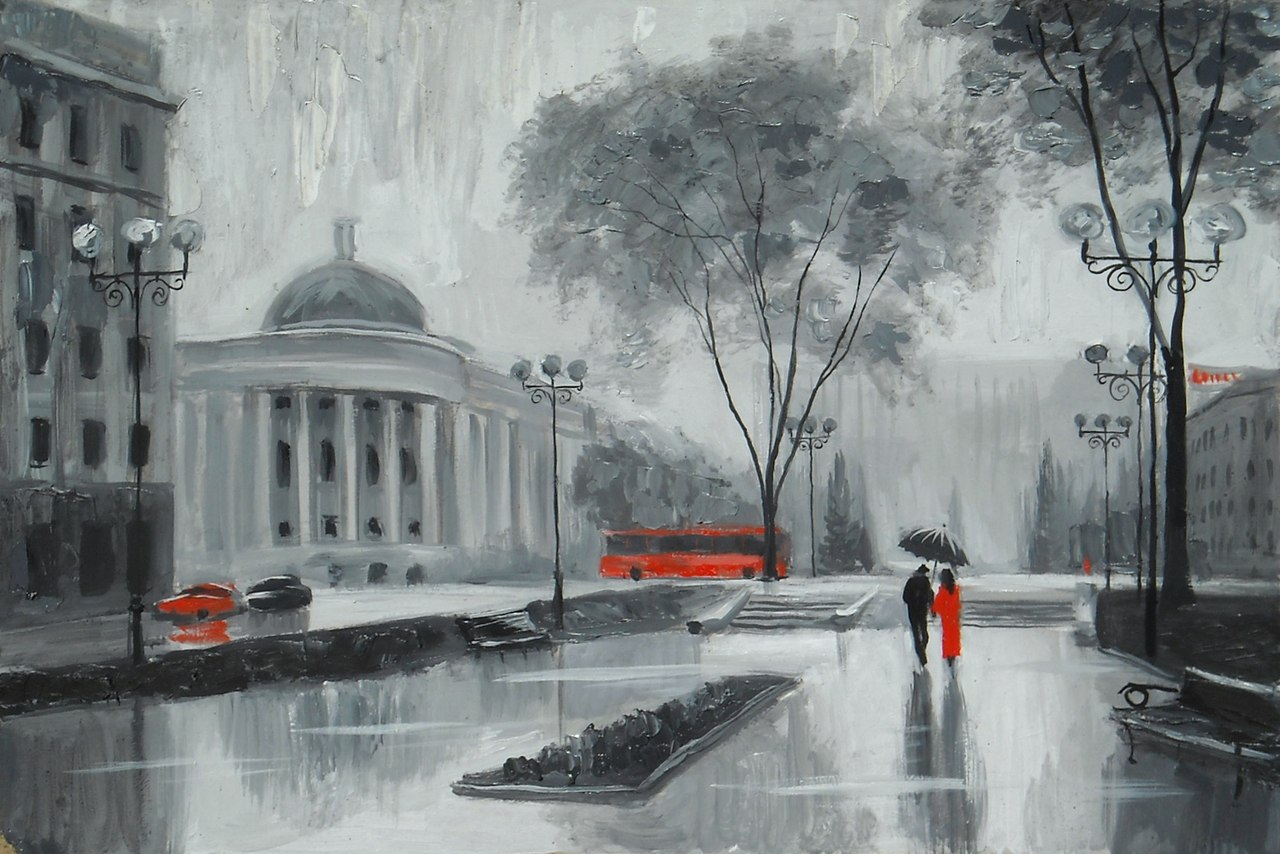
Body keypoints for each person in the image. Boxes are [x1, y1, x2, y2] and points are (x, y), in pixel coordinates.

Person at [902, 564, 934, 666]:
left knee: (917, 634)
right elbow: (930, 597)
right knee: (924, 635)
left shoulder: (911, 582)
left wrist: (912, 602)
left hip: (913, 612)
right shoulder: (925, 583)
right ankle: (922, 654)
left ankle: (921, 655)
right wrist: (927, 603)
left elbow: (905, 597)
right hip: (922, 612)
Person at [932, 567, 962, 668]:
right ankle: (954, 656)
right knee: (954, 638)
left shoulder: (943, 591)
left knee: (947, 639)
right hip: (954, 618)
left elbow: (937, 606)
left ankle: (949, 660)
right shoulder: (956, 590)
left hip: (946, 619)